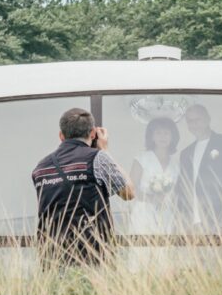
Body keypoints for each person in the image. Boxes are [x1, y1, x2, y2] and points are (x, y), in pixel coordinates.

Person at [32, 108, 134, 265]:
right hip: (93, 256)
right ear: (93, 134)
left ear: (61, 136)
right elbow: (128, 193)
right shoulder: (97, 158)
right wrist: (105, 150)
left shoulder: (41, 168)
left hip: (51, 257)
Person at [176, 104, 222, 233]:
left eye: (198, 119)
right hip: (191, 220)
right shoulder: (186, 153)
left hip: (219, 218)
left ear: (207, 119)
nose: (194, 124)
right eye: (190, 121)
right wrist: (181, 215)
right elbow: (183, 186)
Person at [128, 117, 181, 233]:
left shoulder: (176, 164)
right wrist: (152, 198)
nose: (163, 137)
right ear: (151, 137)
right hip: (143, 213)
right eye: (158, 133)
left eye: (167, 133)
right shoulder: (142, 158)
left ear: (173, 137)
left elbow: (176, 193)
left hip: (167, 214)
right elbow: (129, 190)